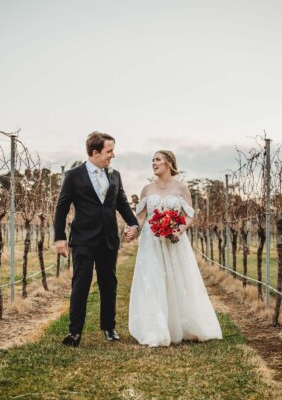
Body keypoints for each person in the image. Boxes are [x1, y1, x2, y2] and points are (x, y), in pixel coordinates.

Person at [127, 150, 222, 347]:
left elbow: (189, 216)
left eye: (158, 160)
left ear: (168, 163)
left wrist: (179, 230)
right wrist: (132, 231)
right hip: (151, 242)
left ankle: (183, 325)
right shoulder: (146, 189)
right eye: (152, 160)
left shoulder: (181, 188)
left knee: (179, 279)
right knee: (153, 279)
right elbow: (140, 217)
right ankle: (156, 328)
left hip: (174, 241)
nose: (153, 163)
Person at [55, 131, 139, 347]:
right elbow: (62, 207)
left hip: (109, 238)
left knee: (109, 284)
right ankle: (75, 333)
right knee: (80, 284)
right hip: (83, 238)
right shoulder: (74, 176)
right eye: (109, 151)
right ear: (95, 152)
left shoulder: (115, 175)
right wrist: (59, 238)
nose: (113, 155)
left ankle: (109, 328)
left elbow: (122, 203)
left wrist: (134, 224)